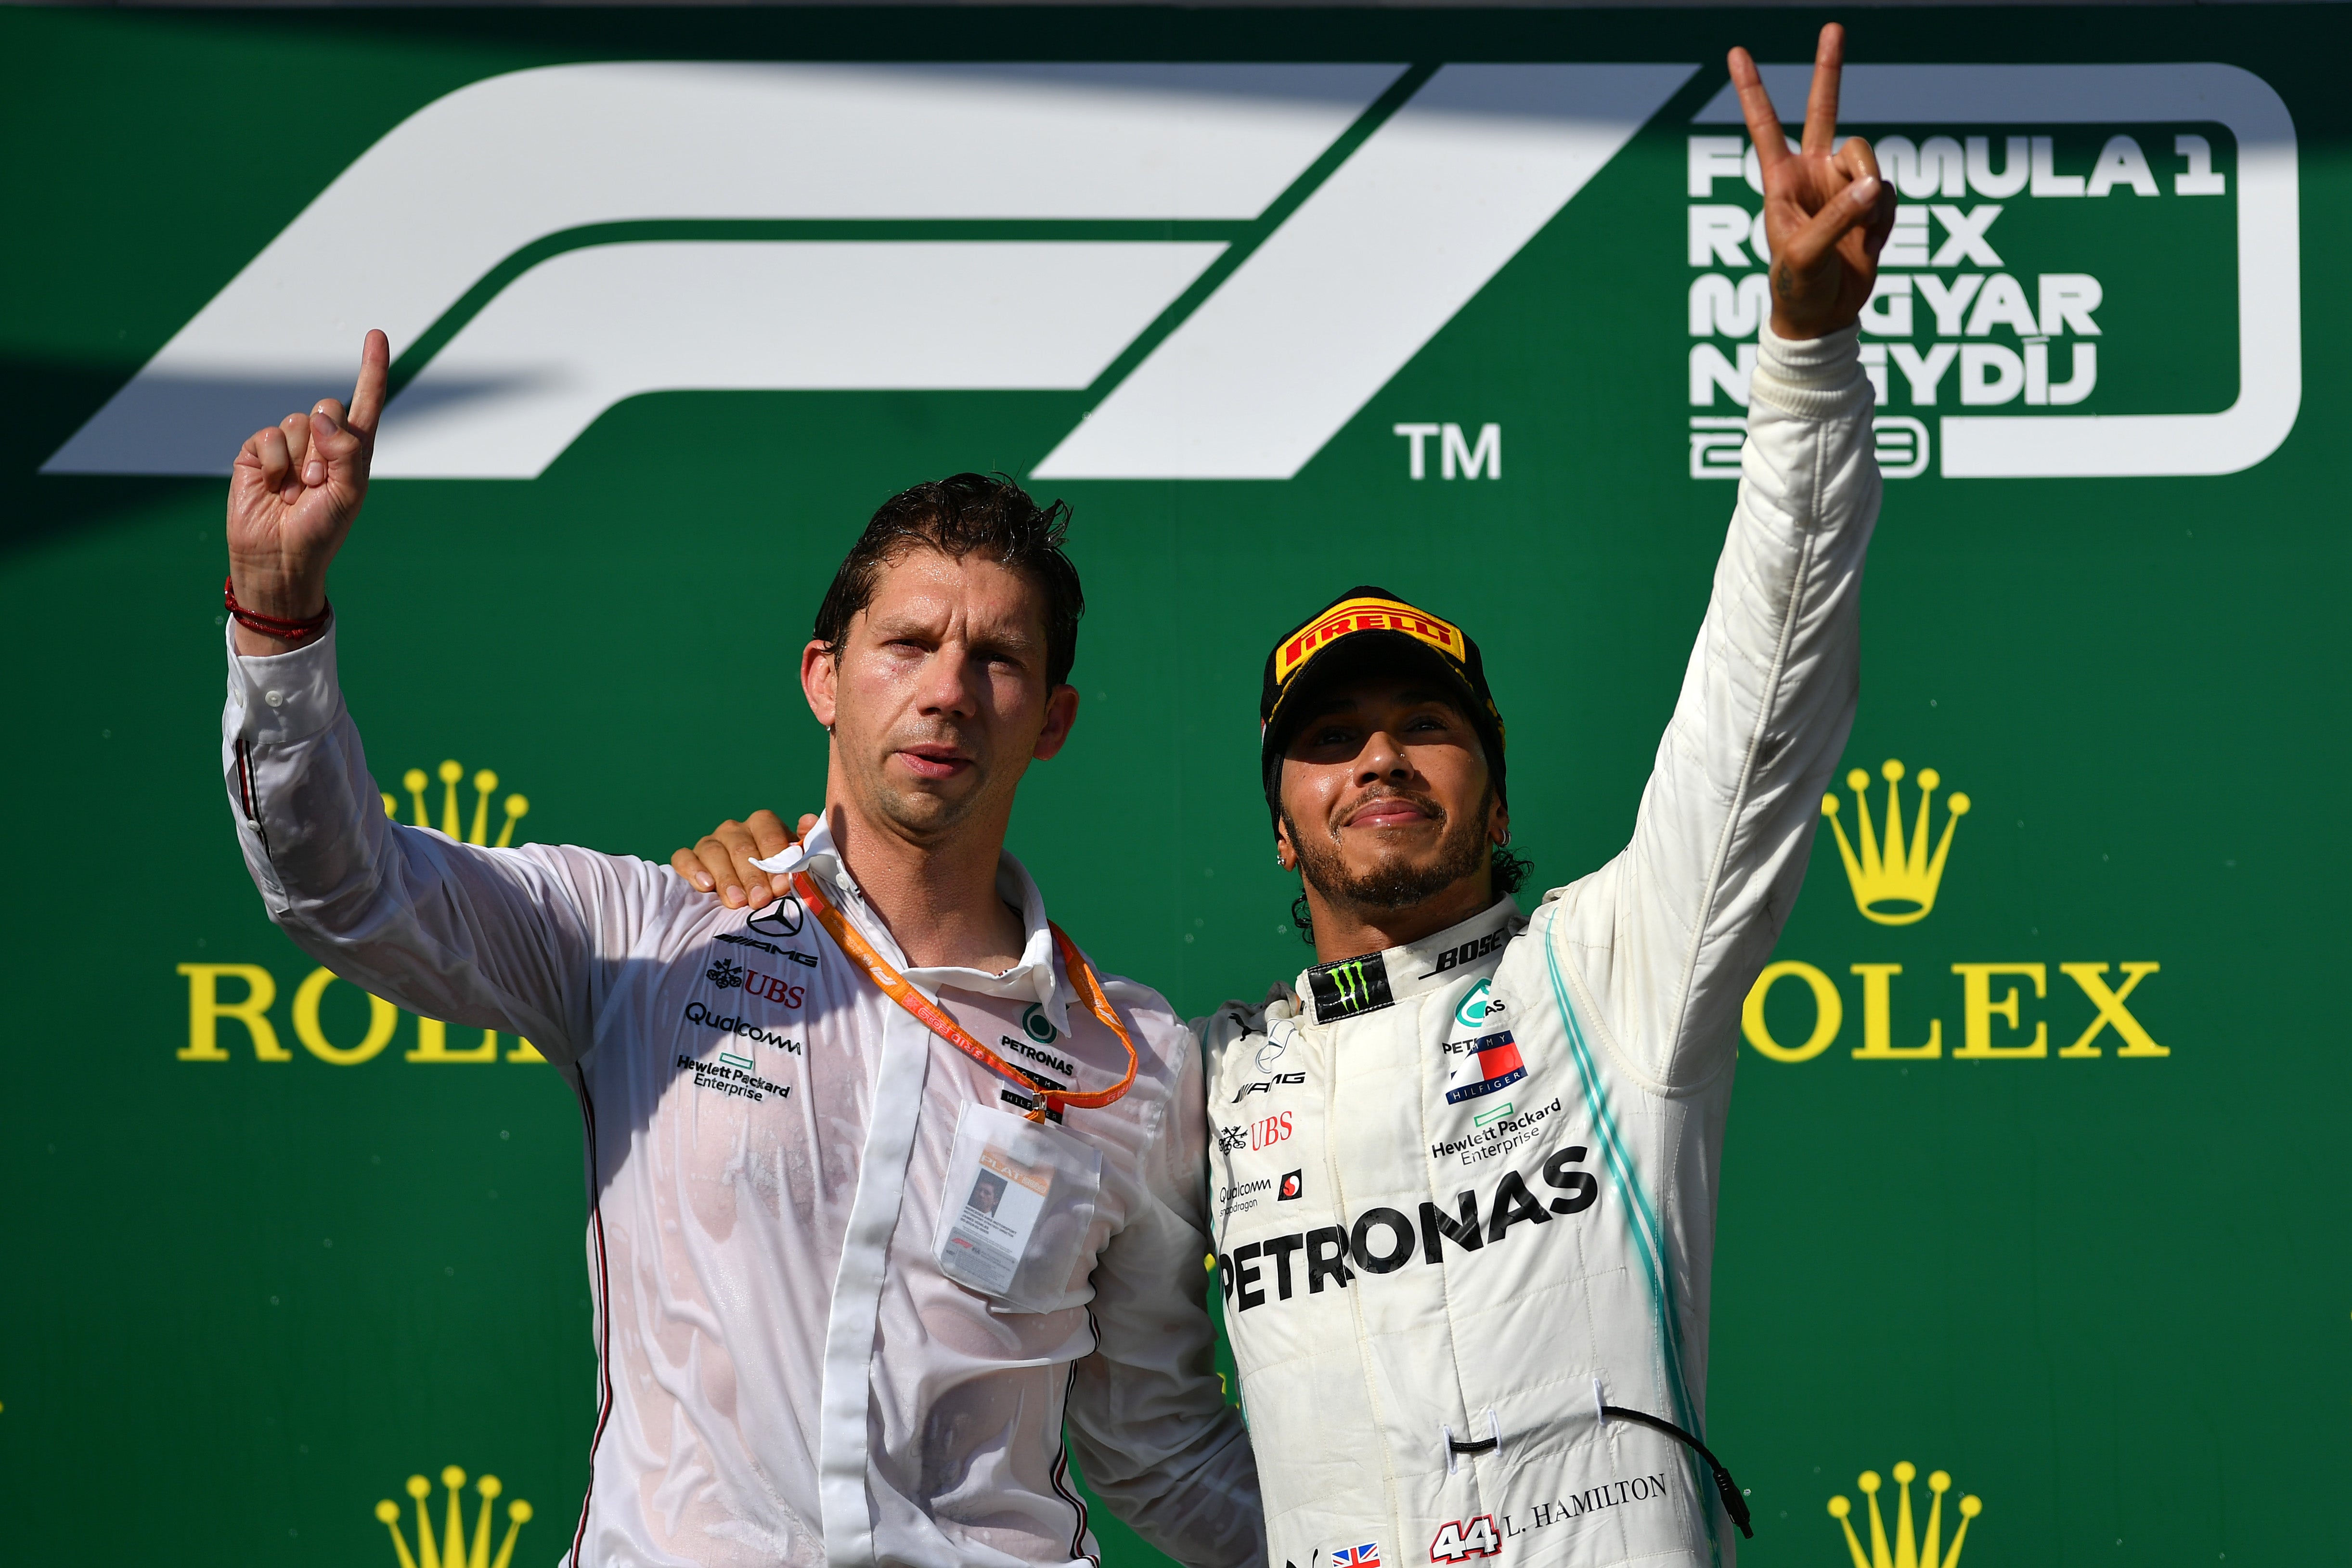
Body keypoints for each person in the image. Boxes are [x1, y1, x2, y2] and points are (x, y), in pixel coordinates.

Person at [675, 27, 1889, 1568]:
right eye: (1329, 738)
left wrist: (1799, 357)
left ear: (1492, 779)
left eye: (1421, 726)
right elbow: (1143, 1431)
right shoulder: (1204, 1076)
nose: (1376, 759)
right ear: (1276, 814)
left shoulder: (1615, 970)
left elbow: (1764, 691)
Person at [218, 380, 1263, 1568]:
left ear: (1054, 718)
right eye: (909, 643)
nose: (946, 690)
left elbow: (1157, 1449)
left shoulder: (1126, 1063)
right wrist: (277, 616)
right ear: (824, 676)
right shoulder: (652, 934)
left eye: (999, 659)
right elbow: (340, 887)